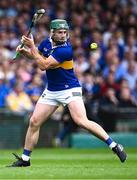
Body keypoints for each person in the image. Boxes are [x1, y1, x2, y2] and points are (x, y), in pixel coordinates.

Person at [8, 19, 127, 167]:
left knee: (81, 121)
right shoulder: (46, 43)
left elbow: (43, 65)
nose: (63, 35)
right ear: (52, 32)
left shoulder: (65, 50)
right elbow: (37, 57)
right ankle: (25, 160)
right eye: (60, 32)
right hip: (52, 90)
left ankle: (114, 146)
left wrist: (31, 45)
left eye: (65, 32)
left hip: (70, 89)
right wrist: (25, 52)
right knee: (34, 122)